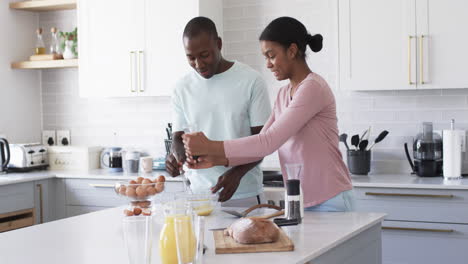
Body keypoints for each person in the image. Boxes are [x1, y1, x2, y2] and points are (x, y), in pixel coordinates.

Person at [183, 17, 355, 212]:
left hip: (331, 199)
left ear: (291, 51)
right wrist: (213, 158)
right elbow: (260, 145)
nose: (268, 64)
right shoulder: (284, 94)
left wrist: (211, 147)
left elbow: (269, 141)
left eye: (271, 55)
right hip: (302, 202)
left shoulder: (312, 87)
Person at [165, 17, 272, 207]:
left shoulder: (251, 81)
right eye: (191, 57)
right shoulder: (182, 88)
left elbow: (262, 143)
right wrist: (175, 158)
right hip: (199, 197)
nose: (199, 64)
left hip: (244, 195)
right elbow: (178, 138)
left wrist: (236, 174)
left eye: (204, 55)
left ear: (219, 44)